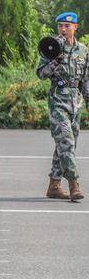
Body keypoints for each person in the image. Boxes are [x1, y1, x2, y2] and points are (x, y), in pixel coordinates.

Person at [37, 12, 89, 201]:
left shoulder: (83, 51)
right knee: (66, 143)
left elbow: (85, 80)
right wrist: (55, 60)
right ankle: (74, 185)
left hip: (76, 103)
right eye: (60, 26)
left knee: (67, 145)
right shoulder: (50, 48)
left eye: (67, 26)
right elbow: (41, 74)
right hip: (58, 102)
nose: (63, 29)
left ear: (75, 27)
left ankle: (54, 185)